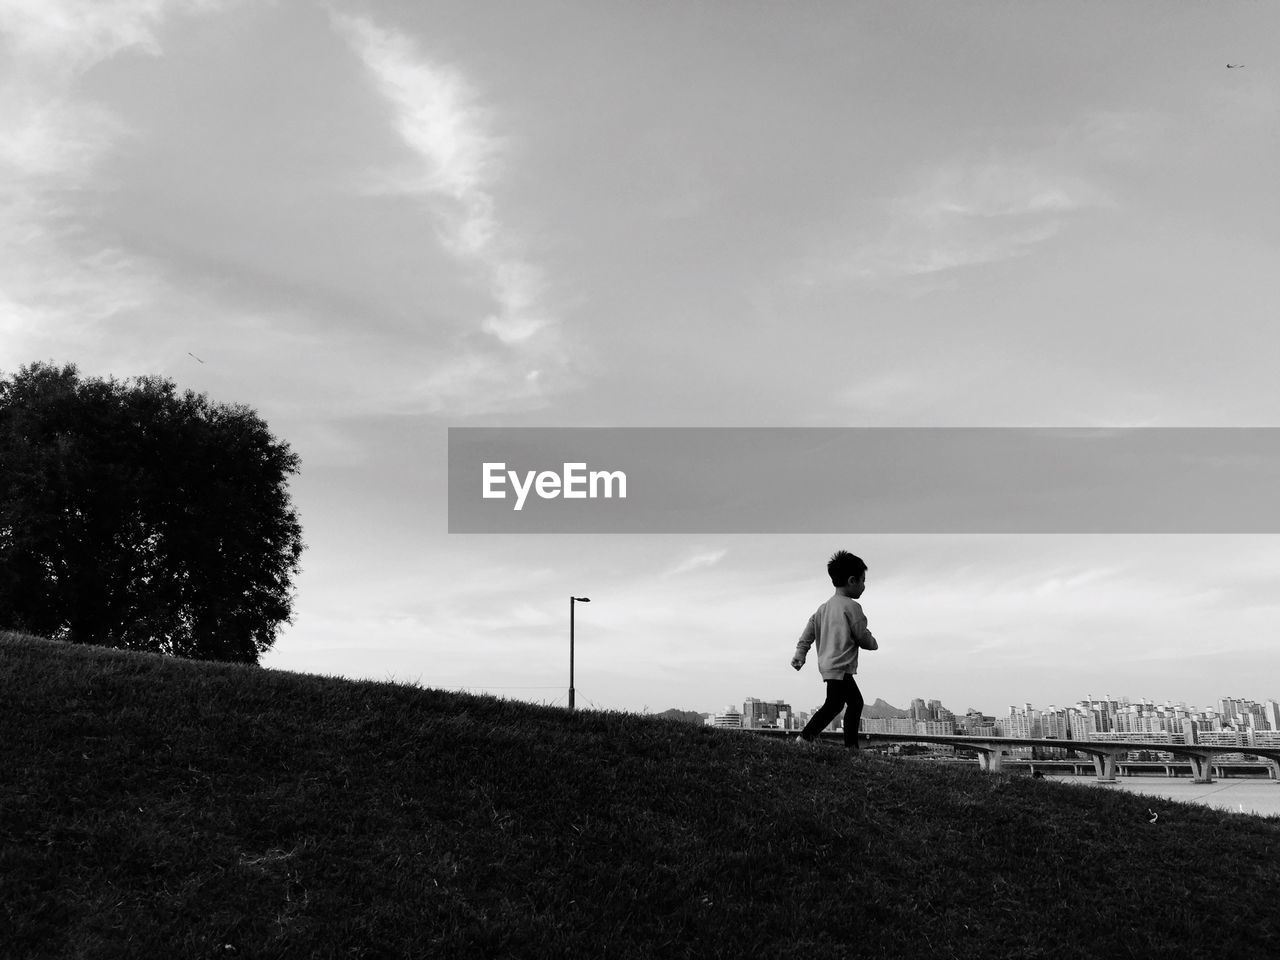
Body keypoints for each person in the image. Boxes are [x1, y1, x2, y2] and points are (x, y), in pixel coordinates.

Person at [791, 550, 878, 751]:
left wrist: (800, 653)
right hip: (841, 667)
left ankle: (807, 739)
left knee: (836, 704)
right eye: (863, 581)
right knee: (853, 703)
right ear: (852, 580)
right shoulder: (852, 607)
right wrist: (873, 642)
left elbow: (808, 632)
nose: (864, 586)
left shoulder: (822, 608)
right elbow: (862, 635)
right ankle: (847, 747)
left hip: (828, 665)